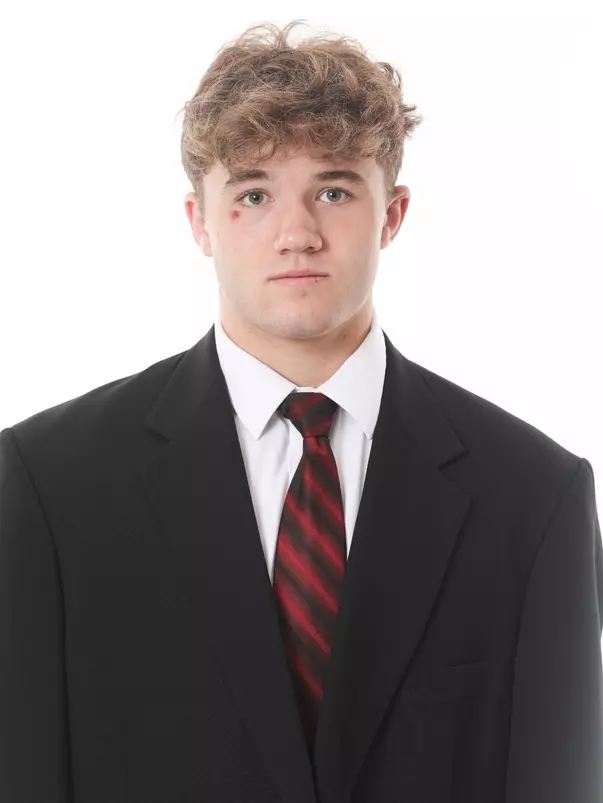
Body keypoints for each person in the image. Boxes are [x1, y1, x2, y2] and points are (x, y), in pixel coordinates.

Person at [1, 18, 601, 803]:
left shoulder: (532, 496)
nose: (296, 234)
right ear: (199, 223)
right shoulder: (47, 486)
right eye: (253, 193)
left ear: (392, 213)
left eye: (333, 189)